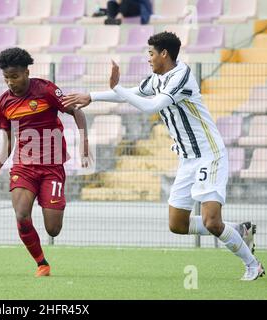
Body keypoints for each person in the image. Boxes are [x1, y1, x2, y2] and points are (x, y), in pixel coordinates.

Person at [62, 32, 265, 281]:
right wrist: (92, 96)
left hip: (209, 155)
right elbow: (134, 92)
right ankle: (239, 229)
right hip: (188, 159)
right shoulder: (158, 79)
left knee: (212, 222)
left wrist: (115, 87)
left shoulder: (181, 76)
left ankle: (253, 265)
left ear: (164, 54)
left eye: (151, 53)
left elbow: (150, 106)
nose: (148, 59)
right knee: (177, 224)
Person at [0, 47, 91, 277]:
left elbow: (77, 112)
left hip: (52, 165)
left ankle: (54, 199)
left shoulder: (46, 90)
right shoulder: (3, 103)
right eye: (6, 78)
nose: (10, 82)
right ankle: (42, 263)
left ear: (26, 72)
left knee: (53, 229)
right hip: (24, 165)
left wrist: (84, 143)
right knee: (22, 215)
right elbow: (7, 136)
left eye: (14, 76)